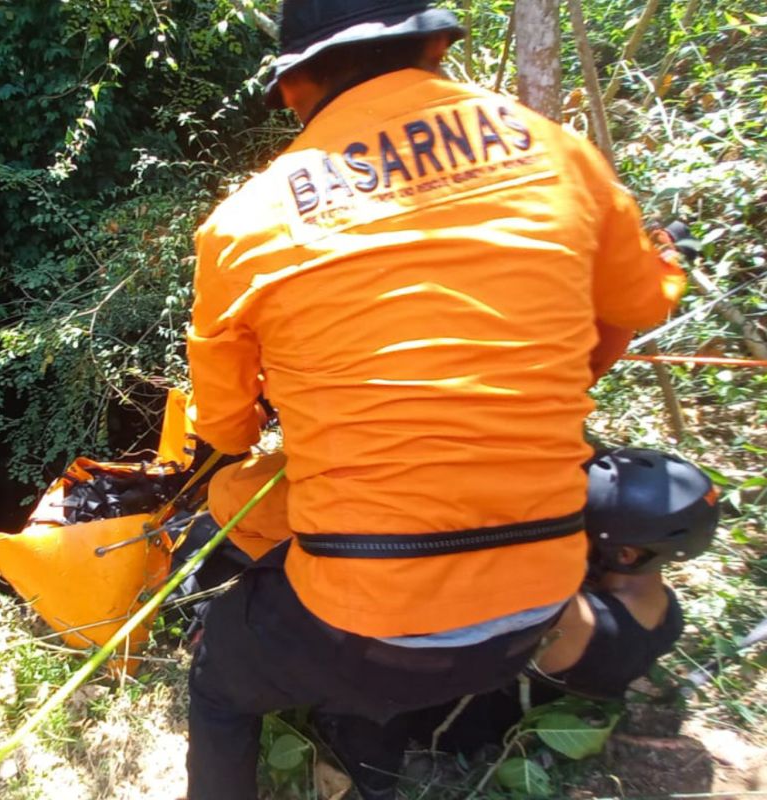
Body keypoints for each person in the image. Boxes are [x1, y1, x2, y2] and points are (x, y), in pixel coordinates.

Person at [183, 1, 687, 798]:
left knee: (216, 683)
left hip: (359, 622)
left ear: (292, 88)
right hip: (536, 603)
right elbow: (639, 304)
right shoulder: (564, 158)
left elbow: (225, 427)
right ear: (441, 44)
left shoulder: (246, 223)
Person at [315, 448, 721, 795]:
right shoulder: (662, 608)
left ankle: (371, 773)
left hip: (473, 716)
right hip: (543, 687)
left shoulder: (578, 618)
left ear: (626, 553)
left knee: (375, 665)